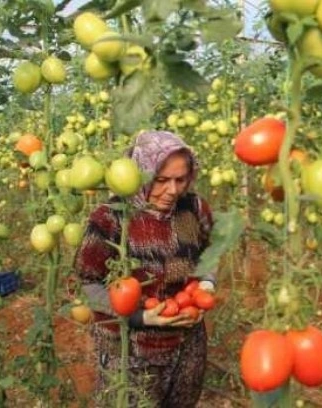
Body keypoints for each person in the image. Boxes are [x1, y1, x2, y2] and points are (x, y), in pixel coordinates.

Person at [74, 130, 217, 407]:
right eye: (161, 180)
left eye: (181, 179)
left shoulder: (193, 208)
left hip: (187, 346)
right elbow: (85, 283)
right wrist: (141, 317)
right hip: (130, 353)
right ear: (140, 174)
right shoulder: (112, 219)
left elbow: (208, 251)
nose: (173, 190)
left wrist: (207, 283)